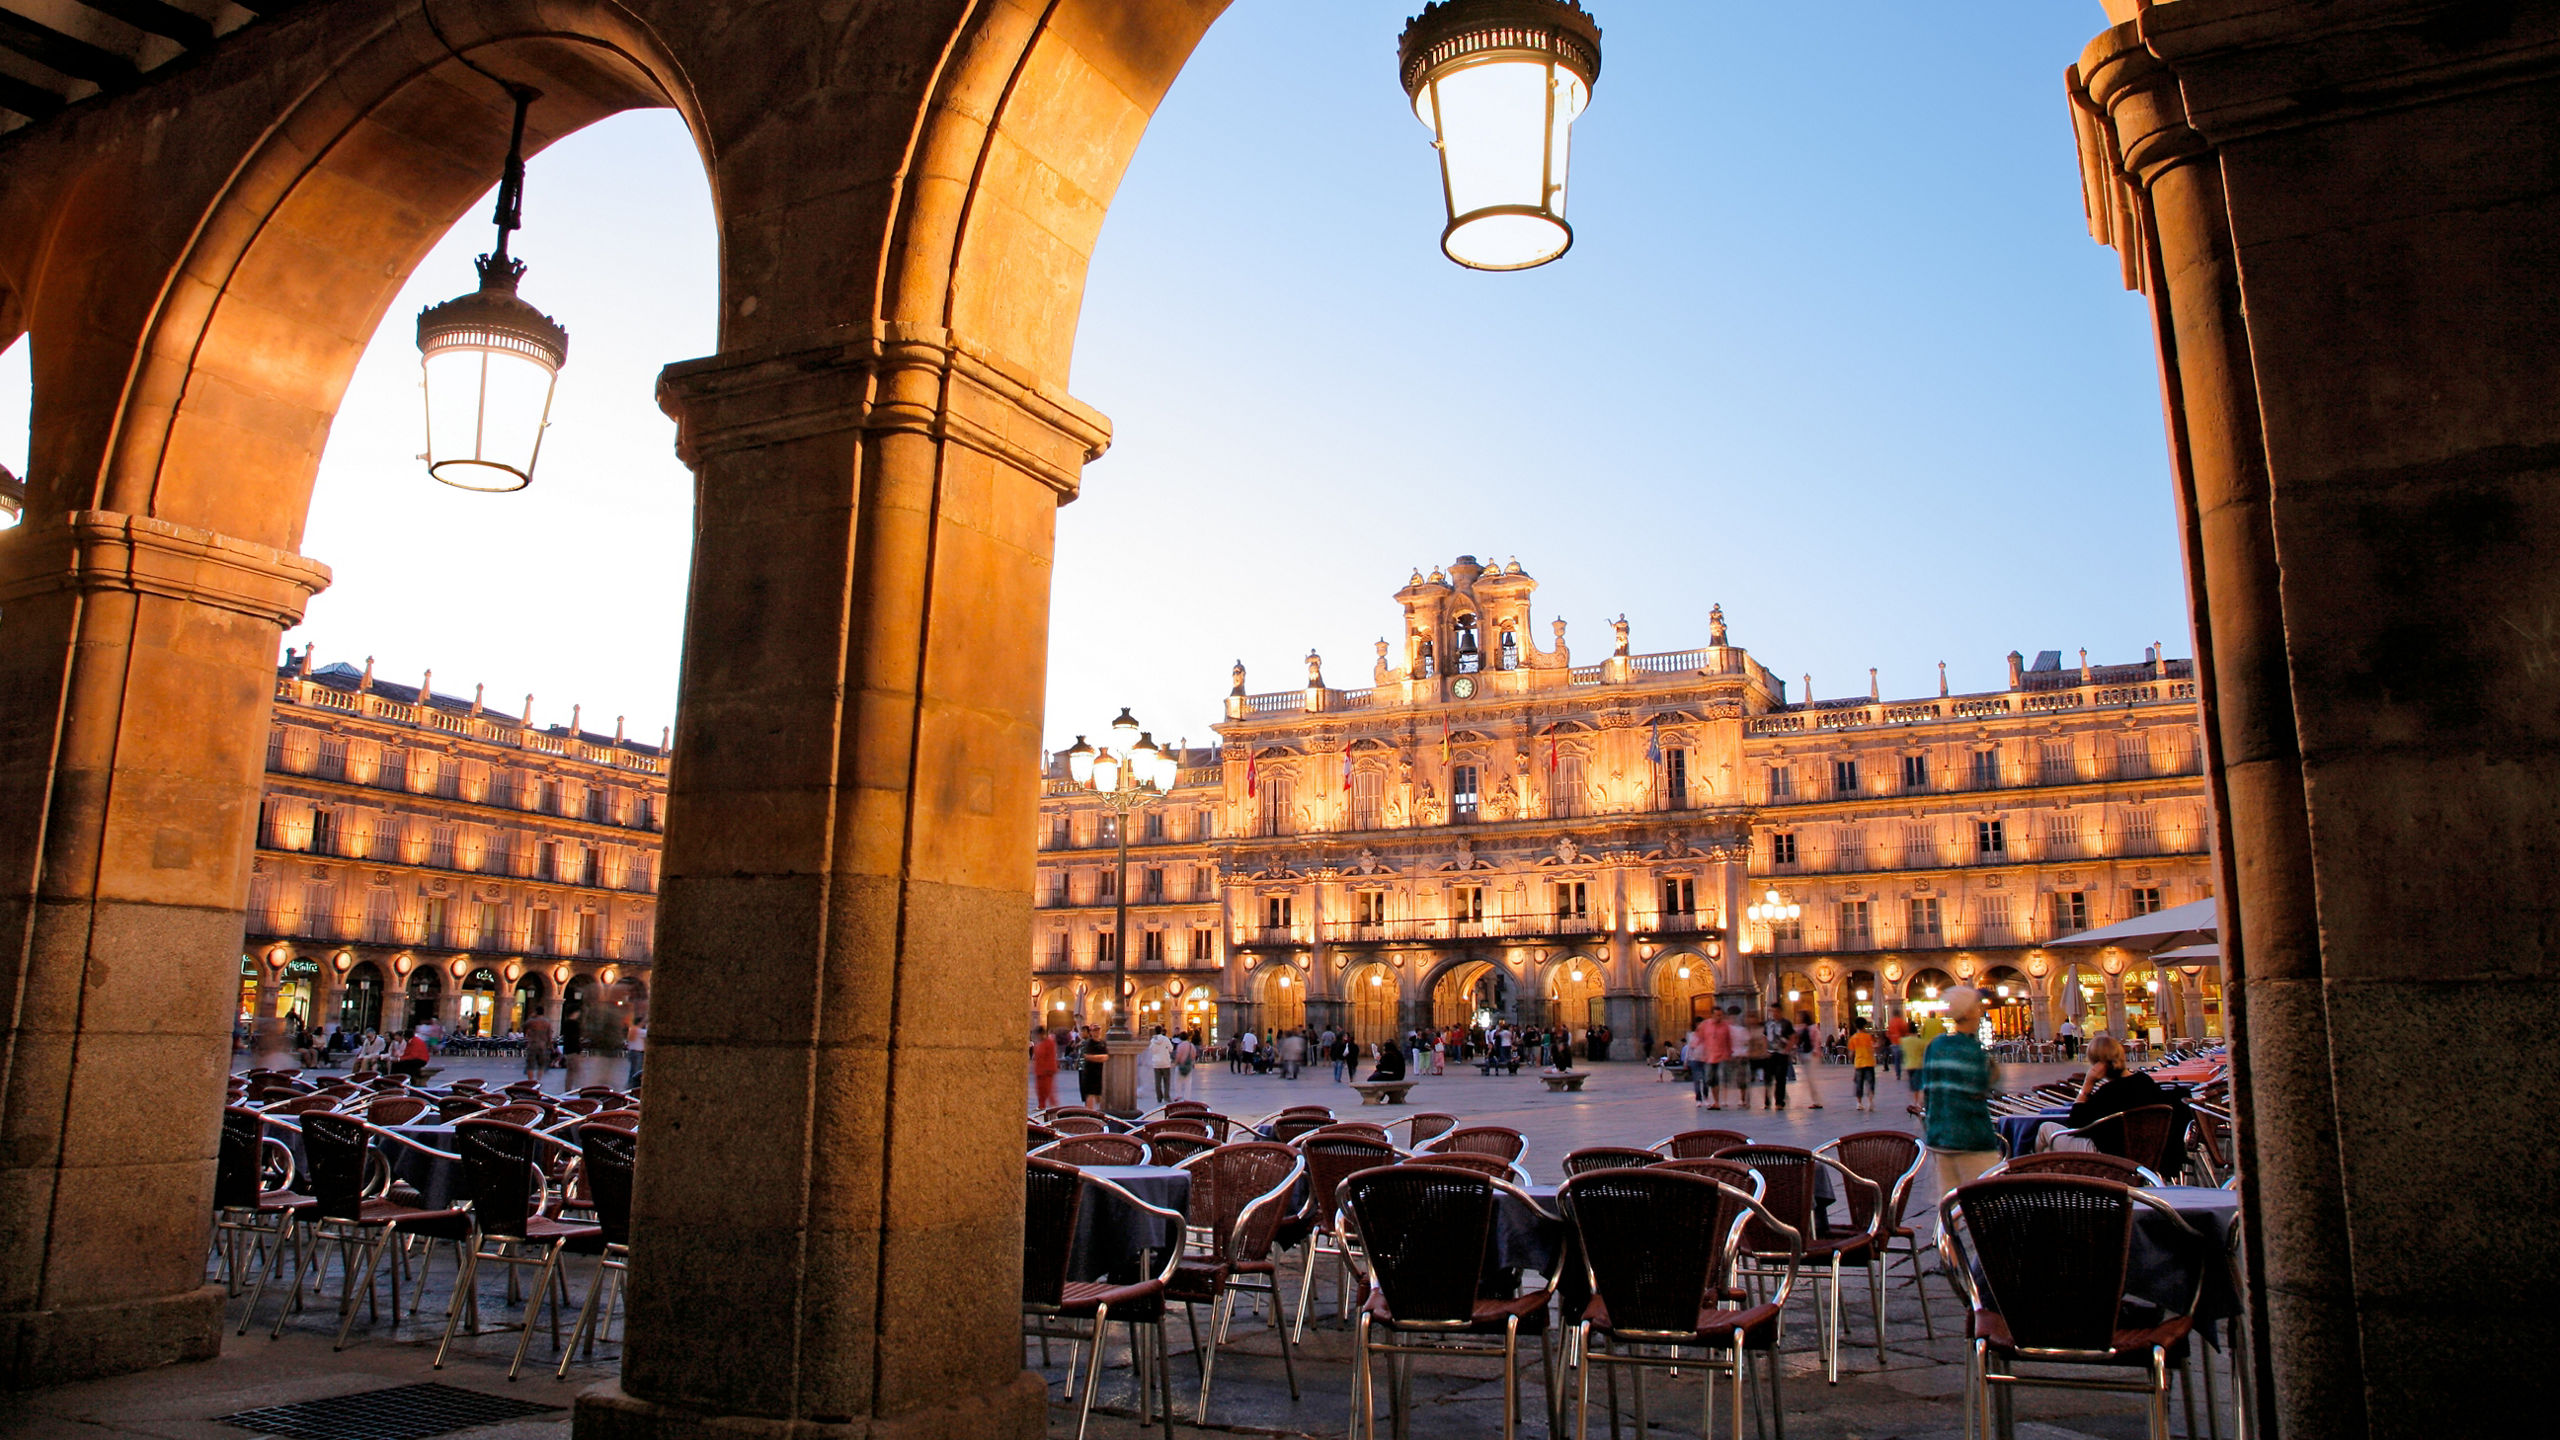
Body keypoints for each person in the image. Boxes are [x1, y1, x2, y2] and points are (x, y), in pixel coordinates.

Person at [1918, 986, 2001, 1234]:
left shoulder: (1935, 1046)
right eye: (1978, 1007)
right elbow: (1979, 1086)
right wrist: (1991, 1071)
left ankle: (1950, 1257)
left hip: (1940, 1135)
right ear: (1970, 1012)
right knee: (1985, 1202)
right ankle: (1985, 1259)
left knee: (1948, 1202)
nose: (1981, 1011)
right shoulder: (1972, 1050)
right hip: (1972, 1137)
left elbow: (1928, 1090)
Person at [1699, 1010, 1732, 1108]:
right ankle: (1716, 1101)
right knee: (1712, 1080)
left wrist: (1730, 1053)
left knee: (1721, 1078)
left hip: (1722, 1056)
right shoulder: (1706, 1025)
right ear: (1712, 1015)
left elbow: (1728, 1040)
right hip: (1710, 1057)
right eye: (1717, 1015)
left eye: (1721, 1015)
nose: (1719, 1017)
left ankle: (1720, 1101)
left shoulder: (1725, 1026)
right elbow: (1700, 1037)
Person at [1847, 1017, 1879, 1111]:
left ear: (1855, 1026)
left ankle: (1859, 1103)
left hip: (1859, 1063)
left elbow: (1851, 1053)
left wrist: (1851, 1060)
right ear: (1865, 1025)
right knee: (1870, 1083)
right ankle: (1870, 1102)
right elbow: (1875, 1046)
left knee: (1859, 1084)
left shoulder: (1853, 1038)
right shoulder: (1869, 1037)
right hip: (1869, 1062)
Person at [1724, 1007, 1754, 1109]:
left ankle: (1742, 1099)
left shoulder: (1742, 1030)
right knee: (1727, 1078)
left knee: (1741, 1079)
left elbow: (1747, 1043)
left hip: (1740, 1056)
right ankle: (1727, 1099)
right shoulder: (1726, 1029)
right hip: (1731, 1056)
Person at [1794, 1018, 1824, 1109]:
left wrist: (1815, 1050)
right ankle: (1813, 1101)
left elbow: (1817, 1040)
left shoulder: (1812, 1029)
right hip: (1806, 1056)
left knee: (1810, 1080)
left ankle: (1817, 1101)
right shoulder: (1803, 1028)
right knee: (1808, 1080)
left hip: (1811, 1056)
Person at [1030, 1026, 1060, 1110]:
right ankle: (1042, 1105)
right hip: (1040, 1071)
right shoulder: (1040, 1043)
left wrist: (1049, 1069)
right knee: (1040, 1089)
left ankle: (1053, 1107)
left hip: (1046, 1071)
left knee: (1047, 1090)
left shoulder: (1049, 1043)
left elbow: (1050, 1057)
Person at [522, 1011, 555, 1084]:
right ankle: (538, 1080)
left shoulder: (531, 1021)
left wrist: (531, 1016)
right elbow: (549, 1035)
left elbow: (524, 1026)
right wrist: (551, 1046)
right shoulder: (547, 1023)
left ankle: (530, 1081)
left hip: (532, 1044)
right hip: (542, 1045)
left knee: (530, 1064)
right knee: (541, 1064)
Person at [1078, 1027, 1108, 1105]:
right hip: (1088, 1072)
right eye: (1094, 1030)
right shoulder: (1088, 1043)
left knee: (1098, 1095)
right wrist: (1099, 1057)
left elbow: (1105, 1057)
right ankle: (1089, 1114)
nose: (1096, 1032)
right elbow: (1087, 1056)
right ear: (1090, 1032)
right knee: (1090, 1094)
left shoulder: (1102, 1043)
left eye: (1098, 1030)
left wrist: (1095, 1057)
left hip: (1099, 1072)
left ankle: (1098, 1114)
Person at [1144, 1026, 1175, 1102]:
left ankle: (1159, 1097)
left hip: (1156, 1063)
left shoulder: (1152, 1040)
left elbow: (1151, 1050)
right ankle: (1166, 1097)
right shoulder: (1165, 1039)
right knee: (1166, 1081)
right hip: (1165, 1062)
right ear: (1161, 1031)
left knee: (1157, 1081)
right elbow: (1171, 1049)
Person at [1899, 1023, 1929, 1097]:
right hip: (1919, 1065)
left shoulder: (1903, 1041)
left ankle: (1914, 1100)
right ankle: (1917, 1101)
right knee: (1918, 1084)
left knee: (1912, 1084)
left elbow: (1903, 1052)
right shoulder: (1920, 1042)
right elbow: (1924, 1053)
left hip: (1909, 1065)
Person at [1172, 1030, 1199, 1100]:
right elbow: (1193, 1055)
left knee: (1177, 1080)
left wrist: (1175, 1063)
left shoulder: (1180, 1045)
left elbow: (1178, 1056)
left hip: (1180, 1065)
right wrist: (1192, 1062)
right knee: (1188, 1082)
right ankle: (1187, 1097)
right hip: (1188, 1065)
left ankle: (1178, 1094)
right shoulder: (1191, 1045)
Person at [626, 1018, 648, 1087]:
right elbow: (648, 1033)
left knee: (632, 1070)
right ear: (639, 1023)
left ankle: (630, 1084)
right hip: (638, 1052)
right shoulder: (639, 1031)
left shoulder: (632, 1029)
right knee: (637, 1070)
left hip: (632, 1051)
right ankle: (633, 1085)